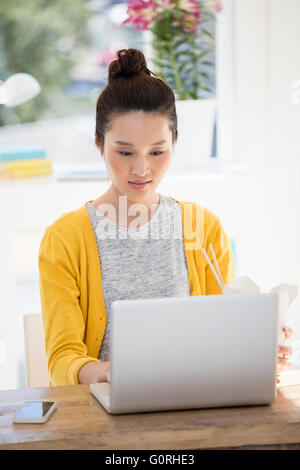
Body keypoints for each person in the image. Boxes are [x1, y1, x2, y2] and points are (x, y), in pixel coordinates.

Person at [38, 48, 292, 387]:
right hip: (106, 415)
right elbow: (62, 359)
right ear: (99, 143)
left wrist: (255, 353)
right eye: (125, 152)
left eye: (157, 152)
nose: (141, 169)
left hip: (192, 405)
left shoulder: (204, 228)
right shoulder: (65, 240)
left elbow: (222, 335)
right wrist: (108, 372)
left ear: (174, 142)